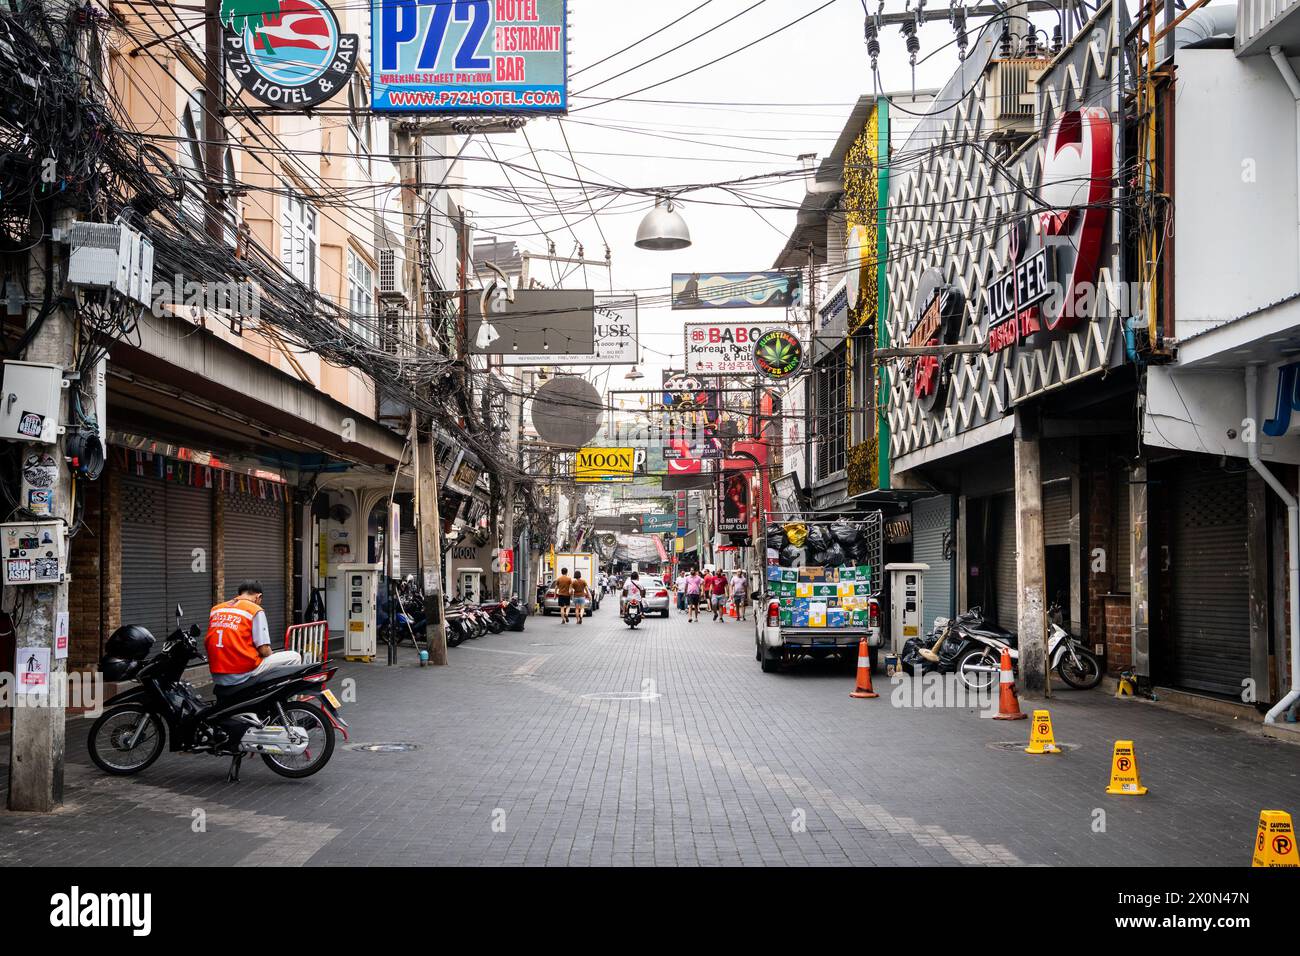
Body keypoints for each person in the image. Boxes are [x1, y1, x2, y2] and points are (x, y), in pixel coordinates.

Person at [205, 580, 296, 696]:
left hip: (217, 675)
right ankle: (287, 702)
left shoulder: (216, 609)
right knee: (294, 657)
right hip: (240, 673)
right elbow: (264, 650)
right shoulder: (254, 610)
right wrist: (270, 653)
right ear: (259, 597)